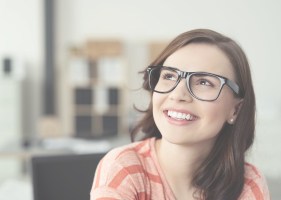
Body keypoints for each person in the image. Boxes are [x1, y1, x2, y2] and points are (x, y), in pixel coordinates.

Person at [90, 29, 270, 200]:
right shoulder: (124, 168)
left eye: (204, 82)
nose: (178, 94)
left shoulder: (248, 181)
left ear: (236, 110)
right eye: (169, 76)